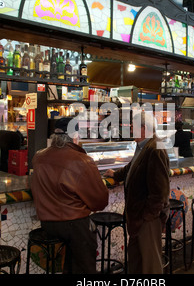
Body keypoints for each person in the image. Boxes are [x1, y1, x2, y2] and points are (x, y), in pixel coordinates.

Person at [31, 117, 109, 274]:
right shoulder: (82, 161)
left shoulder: (38, 157)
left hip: (47, 225)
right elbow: (100, 201)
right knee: (84, 268)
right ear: (75, 136)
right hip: (75, 225)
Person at [104, 111, 170, 274]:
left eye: (132, 127)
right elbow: (133, 167)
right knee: (137, 259)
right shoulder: (143, 146)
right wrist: (117, 175)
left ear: (143, 128)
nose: (130, 130)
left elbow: (159, 192)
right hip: (137, 217)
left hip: (147, 218)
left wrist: (146, 217)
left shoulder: (155, 149)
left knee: (149, 265)